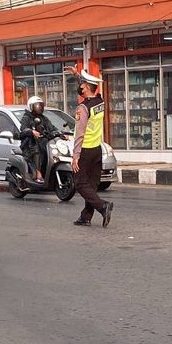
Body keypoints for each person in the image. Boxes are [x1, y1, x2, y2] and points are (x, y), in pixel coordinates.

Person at [70, 71, 113, 227]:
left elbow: (79, 134)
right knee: (92, 185)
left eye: (82, 85)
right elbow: (93, 91)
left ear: (87, 87)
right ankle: (86, 217)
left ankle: (103, 206)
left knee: (80, 183)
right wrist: (78, 76)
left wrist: (75, 156)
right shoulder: (100, 102)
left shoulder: (83, 108)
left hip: (86, 150)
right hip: (97, 149)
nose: (80, 87)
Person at [18, 96, 55, 181]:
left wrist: (60, 133)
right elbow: (23, 129)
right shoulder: (26, 118)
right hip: (29, 145)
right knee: (37, 149)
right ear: (31, 106)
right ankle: (38, 173)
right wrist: (31, 132)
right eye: (37, 105)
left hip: (43, 142)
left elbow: (52, 128)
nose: (40, 107)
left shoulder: (44, 118)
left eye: (41, 105)